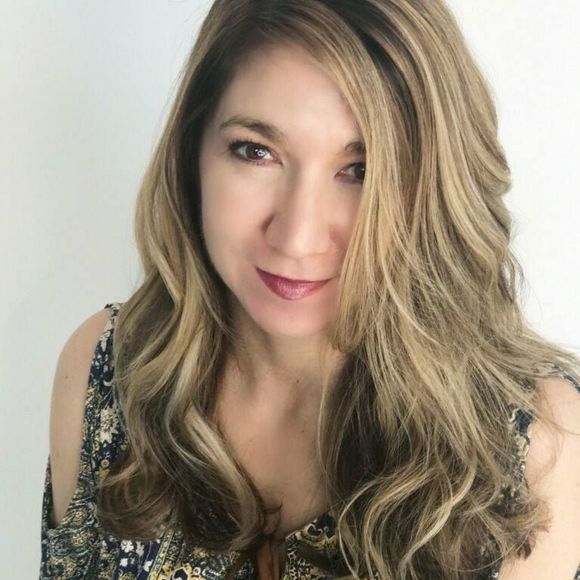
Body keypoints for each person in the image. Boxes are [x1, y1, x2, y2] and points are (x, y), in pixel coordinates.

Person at [40, 0, 580, 578]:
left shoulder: (537, 443)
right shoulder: (110, 370)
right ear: (190, 155)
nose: (297, 238)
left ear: (434, 189)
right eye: (256, 151)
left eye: (361, 170)